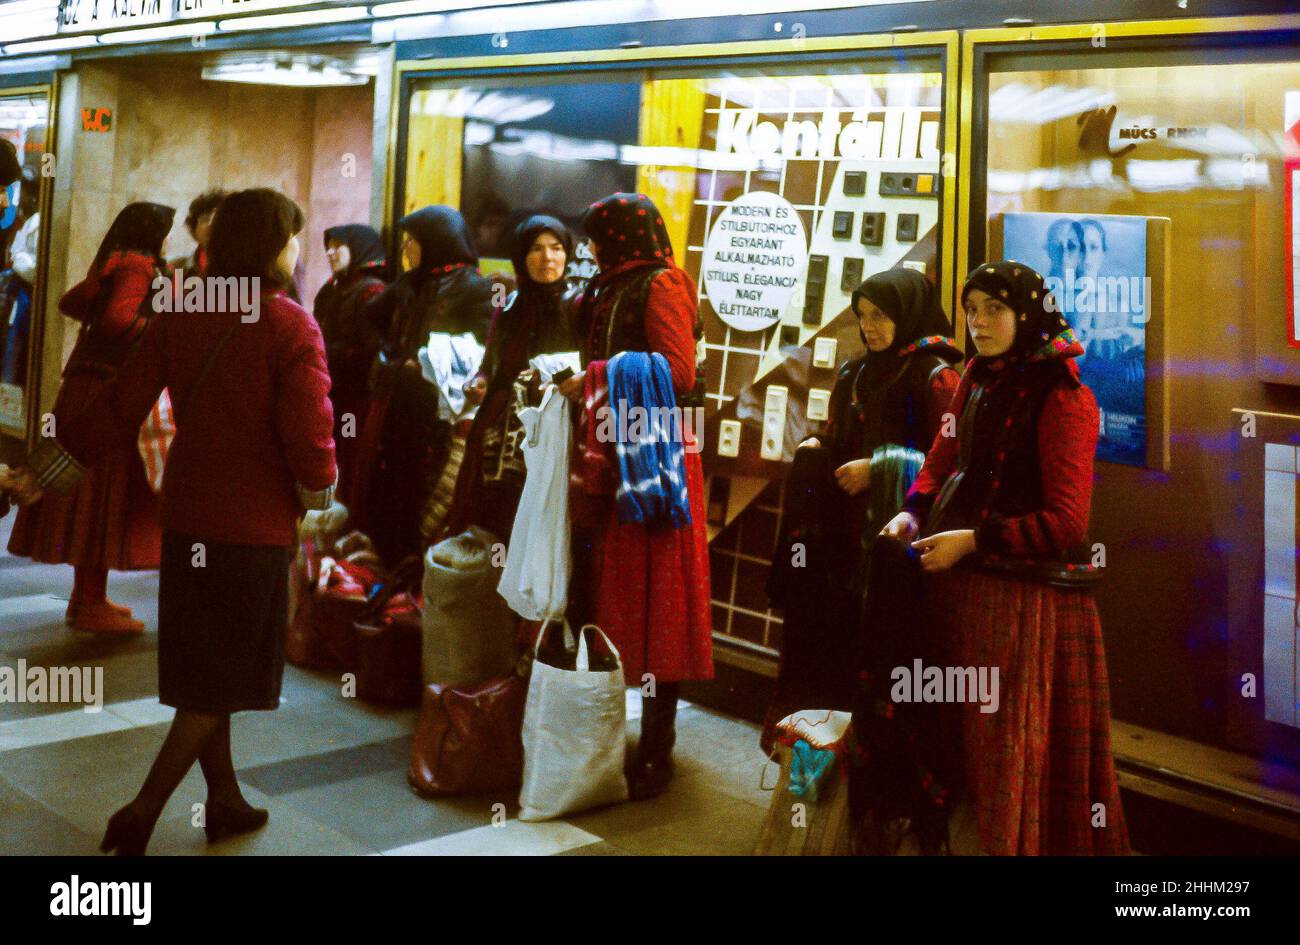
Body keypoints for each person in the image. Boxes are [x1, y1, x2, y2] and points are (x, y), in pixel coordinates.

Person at [4, 188, 336, 856]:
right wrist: (325, 492)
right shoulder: (291, 326)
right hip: (253, 525)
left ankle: (224, 799)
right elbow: (312, 438)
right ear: (274, 246)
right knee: (223, 679)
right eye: (293, 236)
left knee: (207, 668)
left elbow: (117, 408)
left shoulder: (183, 311)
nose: (298, 248)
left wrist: (39, 474)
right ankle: (141, 811)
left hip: (187, 519)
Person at [879, 260, 1129, 855]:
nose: (978, 322)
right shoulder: (977, 378)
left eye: (994, 309)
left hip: (1023, 607)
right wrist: (912, 510)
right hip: (963, 590)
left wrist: (975, 540)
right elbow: (944, 456)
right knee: (958, 742)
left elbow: (1068, 524)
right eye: (970, 310)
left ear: (1026, 314)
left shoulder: (1066, 397)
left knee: (1002, 750)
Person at [763, 267, 961, 752]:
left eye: (881, 316)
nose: (870, 326)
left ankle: (869, 769)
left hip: (895, 548)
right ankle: (821, 753)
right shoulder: (855, 371)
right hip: (844, 546)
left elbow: (953, 462)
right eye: (863, 315)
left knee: (878, 656)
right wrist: (818, 447)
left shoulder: (938, 376)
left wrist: (880, 468)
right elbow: (838, 434)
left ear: (907, 315)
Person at [560, 193, 712, 800]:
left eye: (598, 237)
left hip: (653, 461)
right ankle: (608, 739)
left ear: (621, 237)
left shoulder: (662, 285)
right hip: (613, 450)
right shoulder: (607, 286)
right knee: (609, 597)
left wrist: (594, 379)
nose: (591, 249)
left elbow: (678, 373)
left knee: (657, 605)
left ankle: (656, 749)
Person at [7, 202, 175, 634]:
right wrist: (160, 330)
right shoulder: (139, 264)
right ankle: (88, 603)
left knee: (85, 498)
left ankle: (89, 597)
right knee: (102, 496)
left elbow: (73, 301)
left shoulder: (115, 260)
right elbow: (121, 317)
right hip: (109, 388)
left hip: (84, 384)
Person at [353, 205, 493, 565]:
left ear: (436, 243)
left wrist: (434, 360)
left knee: (427, 490)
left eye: (412, 242)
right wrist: (388, 356)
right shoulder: (407, 284)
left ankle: (413, 568)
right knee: (390, 480)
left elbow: (482, 346)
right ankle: (386, 562)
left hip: (440, 412)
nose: (406, 251)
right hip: (399, 401)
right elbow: (370, 322)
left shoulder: (478, 289)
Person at [446, 214, 578, 541]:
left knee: (534, 528)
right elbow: (492, 361)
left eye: (556, 248)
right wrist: (481, 380)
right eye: (536, 249)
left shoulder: (577, 306)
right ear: (521, 256)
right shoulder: (510, 304)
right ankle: (484, 585)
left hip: (551, 433)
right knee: (493, 519)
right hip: (499, 426)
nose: (548, 258)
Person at [312, 224, 387, 504]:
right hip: (330, 392)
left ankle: (345, 514)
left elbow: (370, 348)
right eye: (327, 246)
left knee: (351, 454)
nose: (330, 252)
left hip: (355, 396)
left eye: (338, 246)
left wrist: (325, 353)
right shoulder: (331, 290)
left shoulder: (371, 291)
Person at [171, 189, 225, 276]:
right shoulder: (176, 268)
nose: (210, 225)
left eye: (217, 220)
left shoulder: (242, 270)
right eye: (205, 219)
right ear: (194, 226)